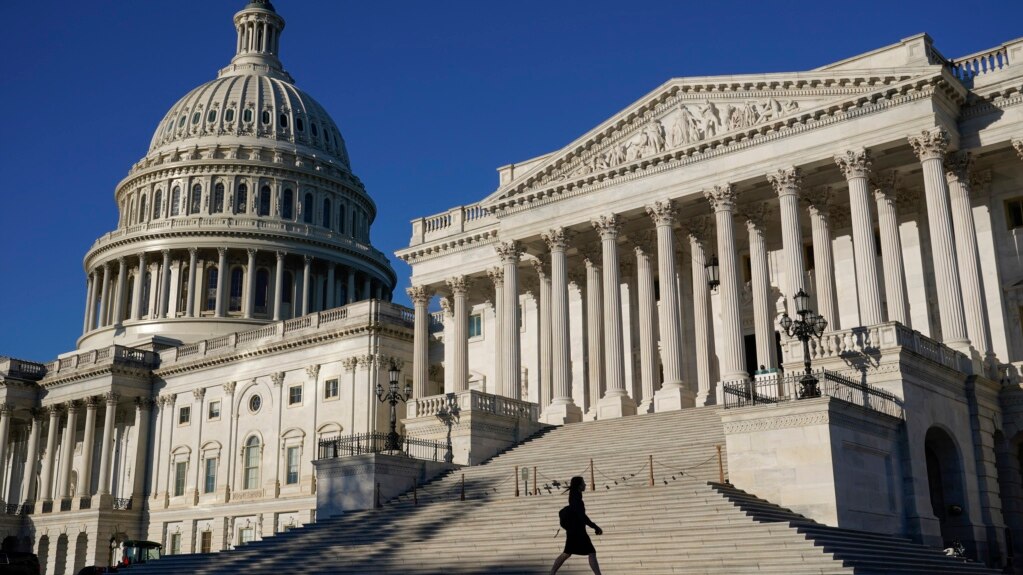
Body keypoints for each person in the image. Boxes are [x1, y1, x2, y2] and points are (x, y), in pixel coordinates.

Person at [551, 476, 603, 575]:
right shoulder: (576, 498)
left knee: (567, 553)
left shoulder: (575, 496)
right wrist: (595, 526)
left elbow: (580, 515)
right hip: (578, 531)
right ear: (579, 485)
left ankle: (552, 573)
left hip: (573, 530)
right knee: (591, 552)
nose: (585, 484)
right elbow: (581, 516)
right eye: (583, 483)